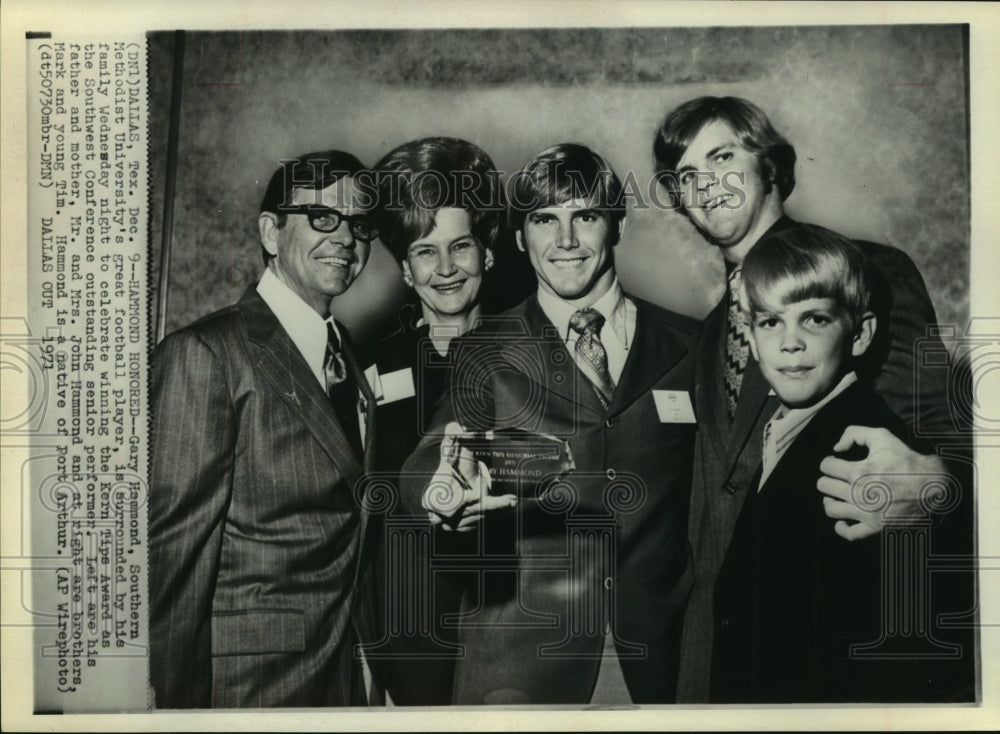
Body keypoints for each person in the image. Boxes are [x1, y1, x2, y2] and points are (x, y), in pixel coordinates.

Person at [652, 96, 968, 702]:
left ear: (771, 166)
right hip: (729, 659)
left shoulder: (865, 272)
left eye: (722, 157)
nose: (705, 185)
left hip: (838, 654)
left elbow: (942, 441)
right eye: (686, 175)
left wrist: (939, 487)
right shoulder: (712, 329)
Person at [399, 143, 700, 704]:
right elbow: (429, 464)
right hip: (519, 663)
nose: (564, 241)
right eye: (544, 220)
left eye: (584, 216)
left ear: (617, 225)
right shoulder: (484, 349)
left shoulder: (688, 344)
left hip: (659, 661)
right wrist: (444, 494)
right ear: (519, 238)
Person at [148, 150, 379, 708]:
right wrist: (170, 711)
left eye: (359, 223)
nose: (345, 237)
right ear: (271, 232)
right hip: (245, 687)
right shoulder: (206, 353)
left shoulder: (346, 354)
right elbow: (172, 555)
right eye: (322, 217)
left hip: (338, 678)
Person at [712, 225, 966, 702]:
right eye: (770, 322)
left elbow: (878, 656)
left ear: (861, 333)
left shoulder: (865, 455)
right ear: (750, 336)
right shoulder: (789, 431)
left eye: (814, 320)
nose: (790, 343)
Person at [360, 137, 503, 705]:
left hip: (504, 629)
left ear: (487, 254)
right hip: (407, 633)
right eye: (425, 251)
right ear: (404, 267)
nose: (445, 269)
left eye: (460, 246)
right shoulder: (369, 367)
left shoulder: (530, 358)